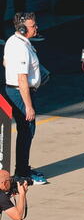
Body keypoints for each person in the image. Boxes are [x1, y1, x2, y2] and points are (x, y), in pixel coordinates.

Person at [3, 12, 45, 183]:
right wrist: (28, 106)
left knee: (25, 131)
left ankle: (23, 168)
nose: (36, 28)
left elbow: (5, 62)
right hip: (21, 92)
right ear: (22, 28)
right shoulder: (20, 47)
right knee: (27, 130)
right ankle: (22, 172)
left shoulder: (13, 40)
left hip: (14, 90)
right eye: (33, 25)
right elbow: (22, 79)